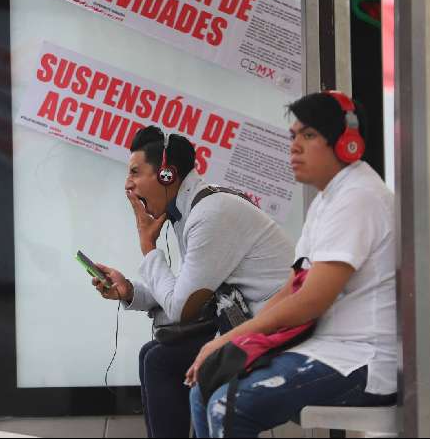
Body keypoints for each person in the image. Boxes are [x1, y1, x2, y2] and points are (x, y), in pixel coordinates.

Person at [187, 91, 398, 438]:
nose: (295, 146)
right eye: (293, 136)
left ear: (346, 143)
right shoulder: (327, 199)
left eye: (309, 135)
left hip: (361, 361)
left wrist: (228, 340)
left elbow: (311, 301)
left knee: (229, 406)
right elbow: (291, 287)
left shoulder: (359, 196)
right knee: (205, 387)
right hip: (326, 351)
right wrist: (239, 343)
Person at [90, 125, 294, 438]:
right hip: (248, 322)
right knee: (155, 355)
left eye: (135, 173)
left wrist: (147, 246)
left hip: (274, 331)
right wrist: (130, 291)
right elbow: (188, 292)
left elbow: (182, 308)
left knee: (159, 359)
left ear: (167, 175)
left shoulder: (209, 214)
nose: (128, 185)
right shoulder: (194, 210)